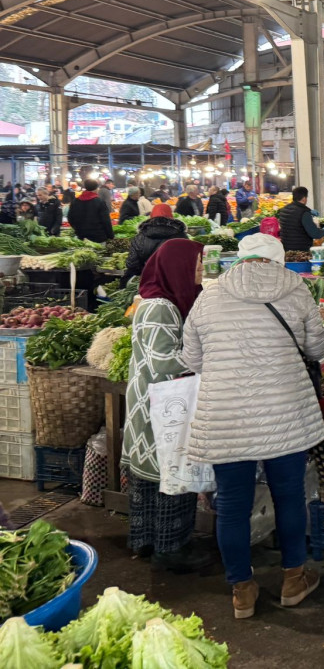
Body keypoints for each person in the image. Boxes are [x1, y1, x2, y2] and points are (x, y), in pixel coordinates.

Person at [182, 233, 324, 619]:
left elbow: (192, 358)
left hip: (226, 414)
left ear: (240, 260)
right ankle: (294, 579)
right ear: (277, 260)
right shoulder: (296, 289)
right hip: (284, 409)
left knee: (231, 505)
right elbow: (317, 349)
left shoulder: (209, 295)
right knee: (289, 496)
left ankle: (242, 591)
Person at [122, 238, 208, 572]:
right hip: (158, 407)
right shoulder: (160, 306)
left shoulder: (159, 300)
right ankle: (171, 549)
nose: (201, 269)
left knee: (151, 478)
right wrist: (204, 356)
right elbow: (162, 361)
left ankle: (146, 541)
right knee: (169, 475)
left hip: (151, 403)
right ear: (178, 267)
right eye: (197, 263)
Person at [123, 204, 188, 287]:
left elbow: (132, 264)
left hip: (147, 284)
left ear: (151, 216)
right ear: (171, 216)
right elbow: (188, 261)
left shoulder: (140, 237)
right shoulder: (181, 236)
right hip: (175, 283)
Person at [275, 187, 324, 254]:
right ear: (304, 199)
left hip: (286, 248)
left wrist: (309, 211)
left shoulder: (284, 209)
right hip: (300, 250)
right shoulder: (304, 213)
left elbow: (294, 219)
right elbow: (314, 233)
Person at [69, 178, 114, 243]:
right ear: (96, 188)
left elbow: (70, 218)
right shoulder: (99, 202)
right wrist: (110, 236)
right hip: (98, 237)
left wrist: (77, 229)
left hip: (81, 236)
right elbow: (106, 221)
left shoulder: (76, 201)